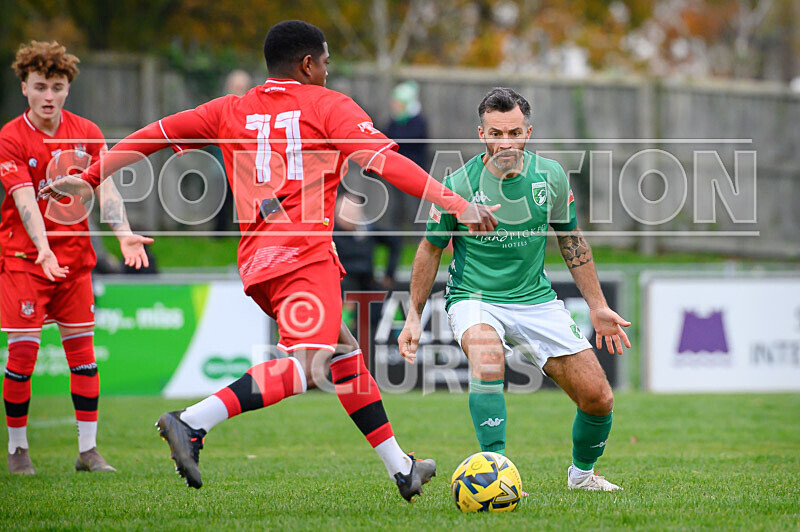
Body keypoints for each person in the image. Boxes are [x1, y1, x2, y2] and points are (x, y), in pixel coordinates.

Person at [41, 20, 498, 500]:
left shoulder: (229, 109)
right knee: (308, 363)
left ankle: (401, 467)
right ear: (307, 63)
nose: (327, 71)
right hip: (303, 255)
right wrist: (456, 203)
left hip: (259, 262)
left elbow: (154, 135)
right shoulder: (328, 104)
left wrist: (90, 176)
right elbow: (387, 162)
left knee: (343, 355)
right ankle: (192, 421)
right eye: (324, 62)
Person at [398, 87, 631, 492]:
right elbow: (429, 249)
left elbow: (571, 240)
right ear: (481, 134)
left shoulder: (551, 177)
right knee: (489, 360)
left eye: (514, 132)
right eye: (495, 133)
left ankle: (582, 477)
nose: (505, 142)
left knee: (598, 398)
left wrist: (597, 305)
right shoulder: (456, 184)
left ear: (528, 132)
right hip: (474, 299)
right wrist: (414, 315)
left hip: (535, 300)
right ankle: (497, 473)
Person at [0, 41, 152, 475]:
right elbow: (25, 199)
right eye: (41, 86)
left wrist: (123, 235)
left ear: (68, 89)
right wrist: (42, 250)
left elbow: (104, 187)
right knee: (22, 358)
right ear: (25, 88)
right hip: (25, 259)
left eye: (58, 87)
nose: (49, 95)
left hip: (73, 260)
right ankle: (17, 450)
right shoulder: (11, 137)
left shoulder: (86, 130)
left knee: (83, 355)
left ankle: (88, 451)